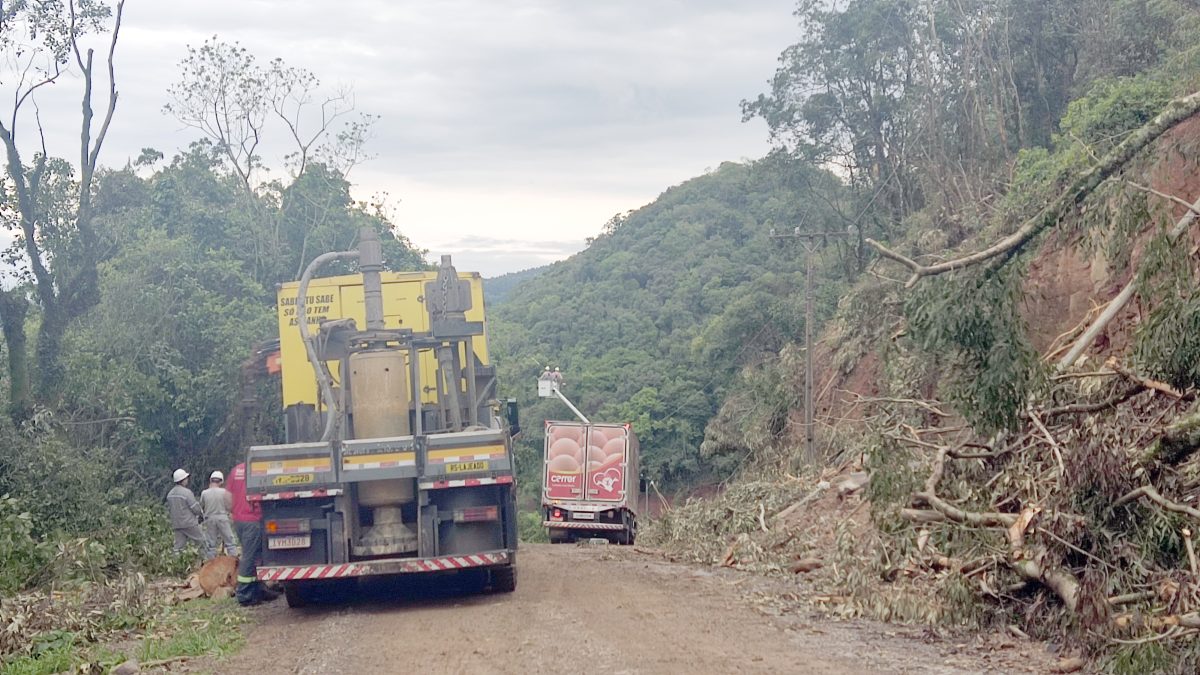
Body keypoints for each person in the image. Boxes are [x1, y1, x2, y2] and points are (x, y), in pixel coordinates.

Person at [227, 462, 277, 605]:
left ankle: (258, 590)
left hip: (239, 520)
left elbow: (227, 497)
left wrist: (235, 511)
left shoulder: (235, 470)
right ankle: (244, 593)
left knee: (256, 555)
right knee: (249, 557)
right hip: (252, 519)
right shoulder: (259, 469)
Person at [167, 469, 215, 560]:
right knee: (203, 543)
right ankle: (209, 562)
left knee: (178, 548)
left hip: (177, 524)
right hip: (189, 523)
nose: (187, 480)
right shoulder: (186, 492)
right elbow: (195, 508)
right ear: (183, 480)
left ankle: (175, 564)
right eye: (186, 478)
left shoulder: (170, 494)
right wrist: (201, 515)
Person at [200, 471, 238, 556]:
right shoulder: (224, 492)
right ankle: (234, 560)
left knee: (211, 543)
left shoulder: (204, 493)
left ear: (211, 480)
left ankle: (211, 562)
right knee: (230, 541)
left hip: (209, 519)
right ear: (221, 481)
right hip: (223, 518)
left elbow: (202, 506)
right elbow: (230, 506)